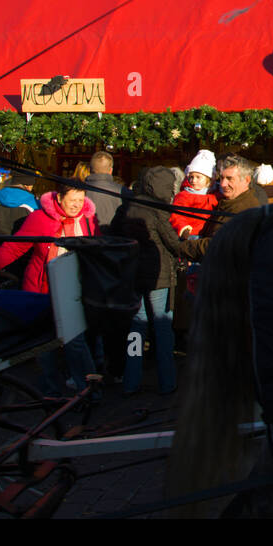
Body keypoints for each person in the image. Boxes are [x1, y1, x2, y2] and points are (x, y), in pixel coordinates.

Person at [0, 183, 100, 395]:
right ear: (59, 198)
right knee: (44, 345)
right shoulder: (40, 218)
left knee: (75, 342)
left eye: (81, 200)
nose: (77, 205)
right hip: (41, 288)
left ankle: (88, 390)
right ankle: (51, 392)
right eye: (72, 200)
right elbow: (15, 247)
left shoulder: (88, 220)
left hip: (74, 290)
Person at [117, 166, 186, 395]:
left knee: (137, 328)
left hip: (134, 275)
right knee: (163, 328)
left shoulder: (128, 206)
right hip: (159, 276)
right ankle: (167, 381)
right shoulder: (158, 211)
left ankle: (131, 380)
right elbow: (173, 243)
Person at [202, 156, 263, 234]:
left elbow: (217, 243)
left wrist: (184, 245)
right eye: (221, 178)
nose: (223, 184)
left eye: (230, 179)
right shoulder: (228, 202)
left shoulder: (244, 209)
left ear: (247, 180)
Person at [170, 149, 219, 236]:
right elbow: (177, 215)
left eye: (198, 177)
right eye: (191, 177)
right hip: (192, 233)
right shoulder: (184, 196)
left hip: (210, 233)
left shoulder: (215, 195)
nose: (193, 180)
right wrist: (183, 228)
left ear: (209, 180)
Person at [83, 150, 125, 228]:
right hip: (115, 238)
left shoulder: (78, 190)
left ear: (89, 169)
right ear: (111, 170)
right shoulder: (123, 192)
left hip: (85, 238)